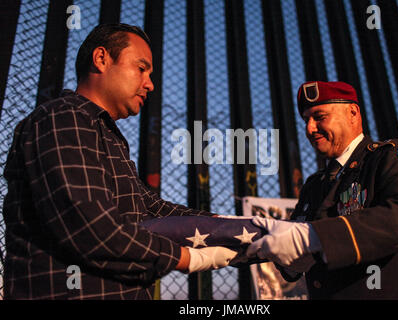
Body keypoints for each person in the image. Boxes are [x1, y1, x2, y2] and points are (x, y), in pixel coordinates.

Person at [2, 23, 237, 300]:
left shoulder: (105, 135)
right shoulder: (63, 118)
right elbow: (90, 226)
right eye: (141, 68)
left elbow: (151, 209)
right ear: (101, 59)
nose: (150, 83)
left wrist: (234, 227)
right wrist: (188, 258)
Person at [248, 81, 398, 299]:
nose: (309, 128)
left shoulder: (389, 157)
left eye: (319, 117)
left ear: (353, 113)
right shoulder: (315, 185)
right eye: (306, 120)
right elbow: (292, 255)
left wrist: (314, 237)